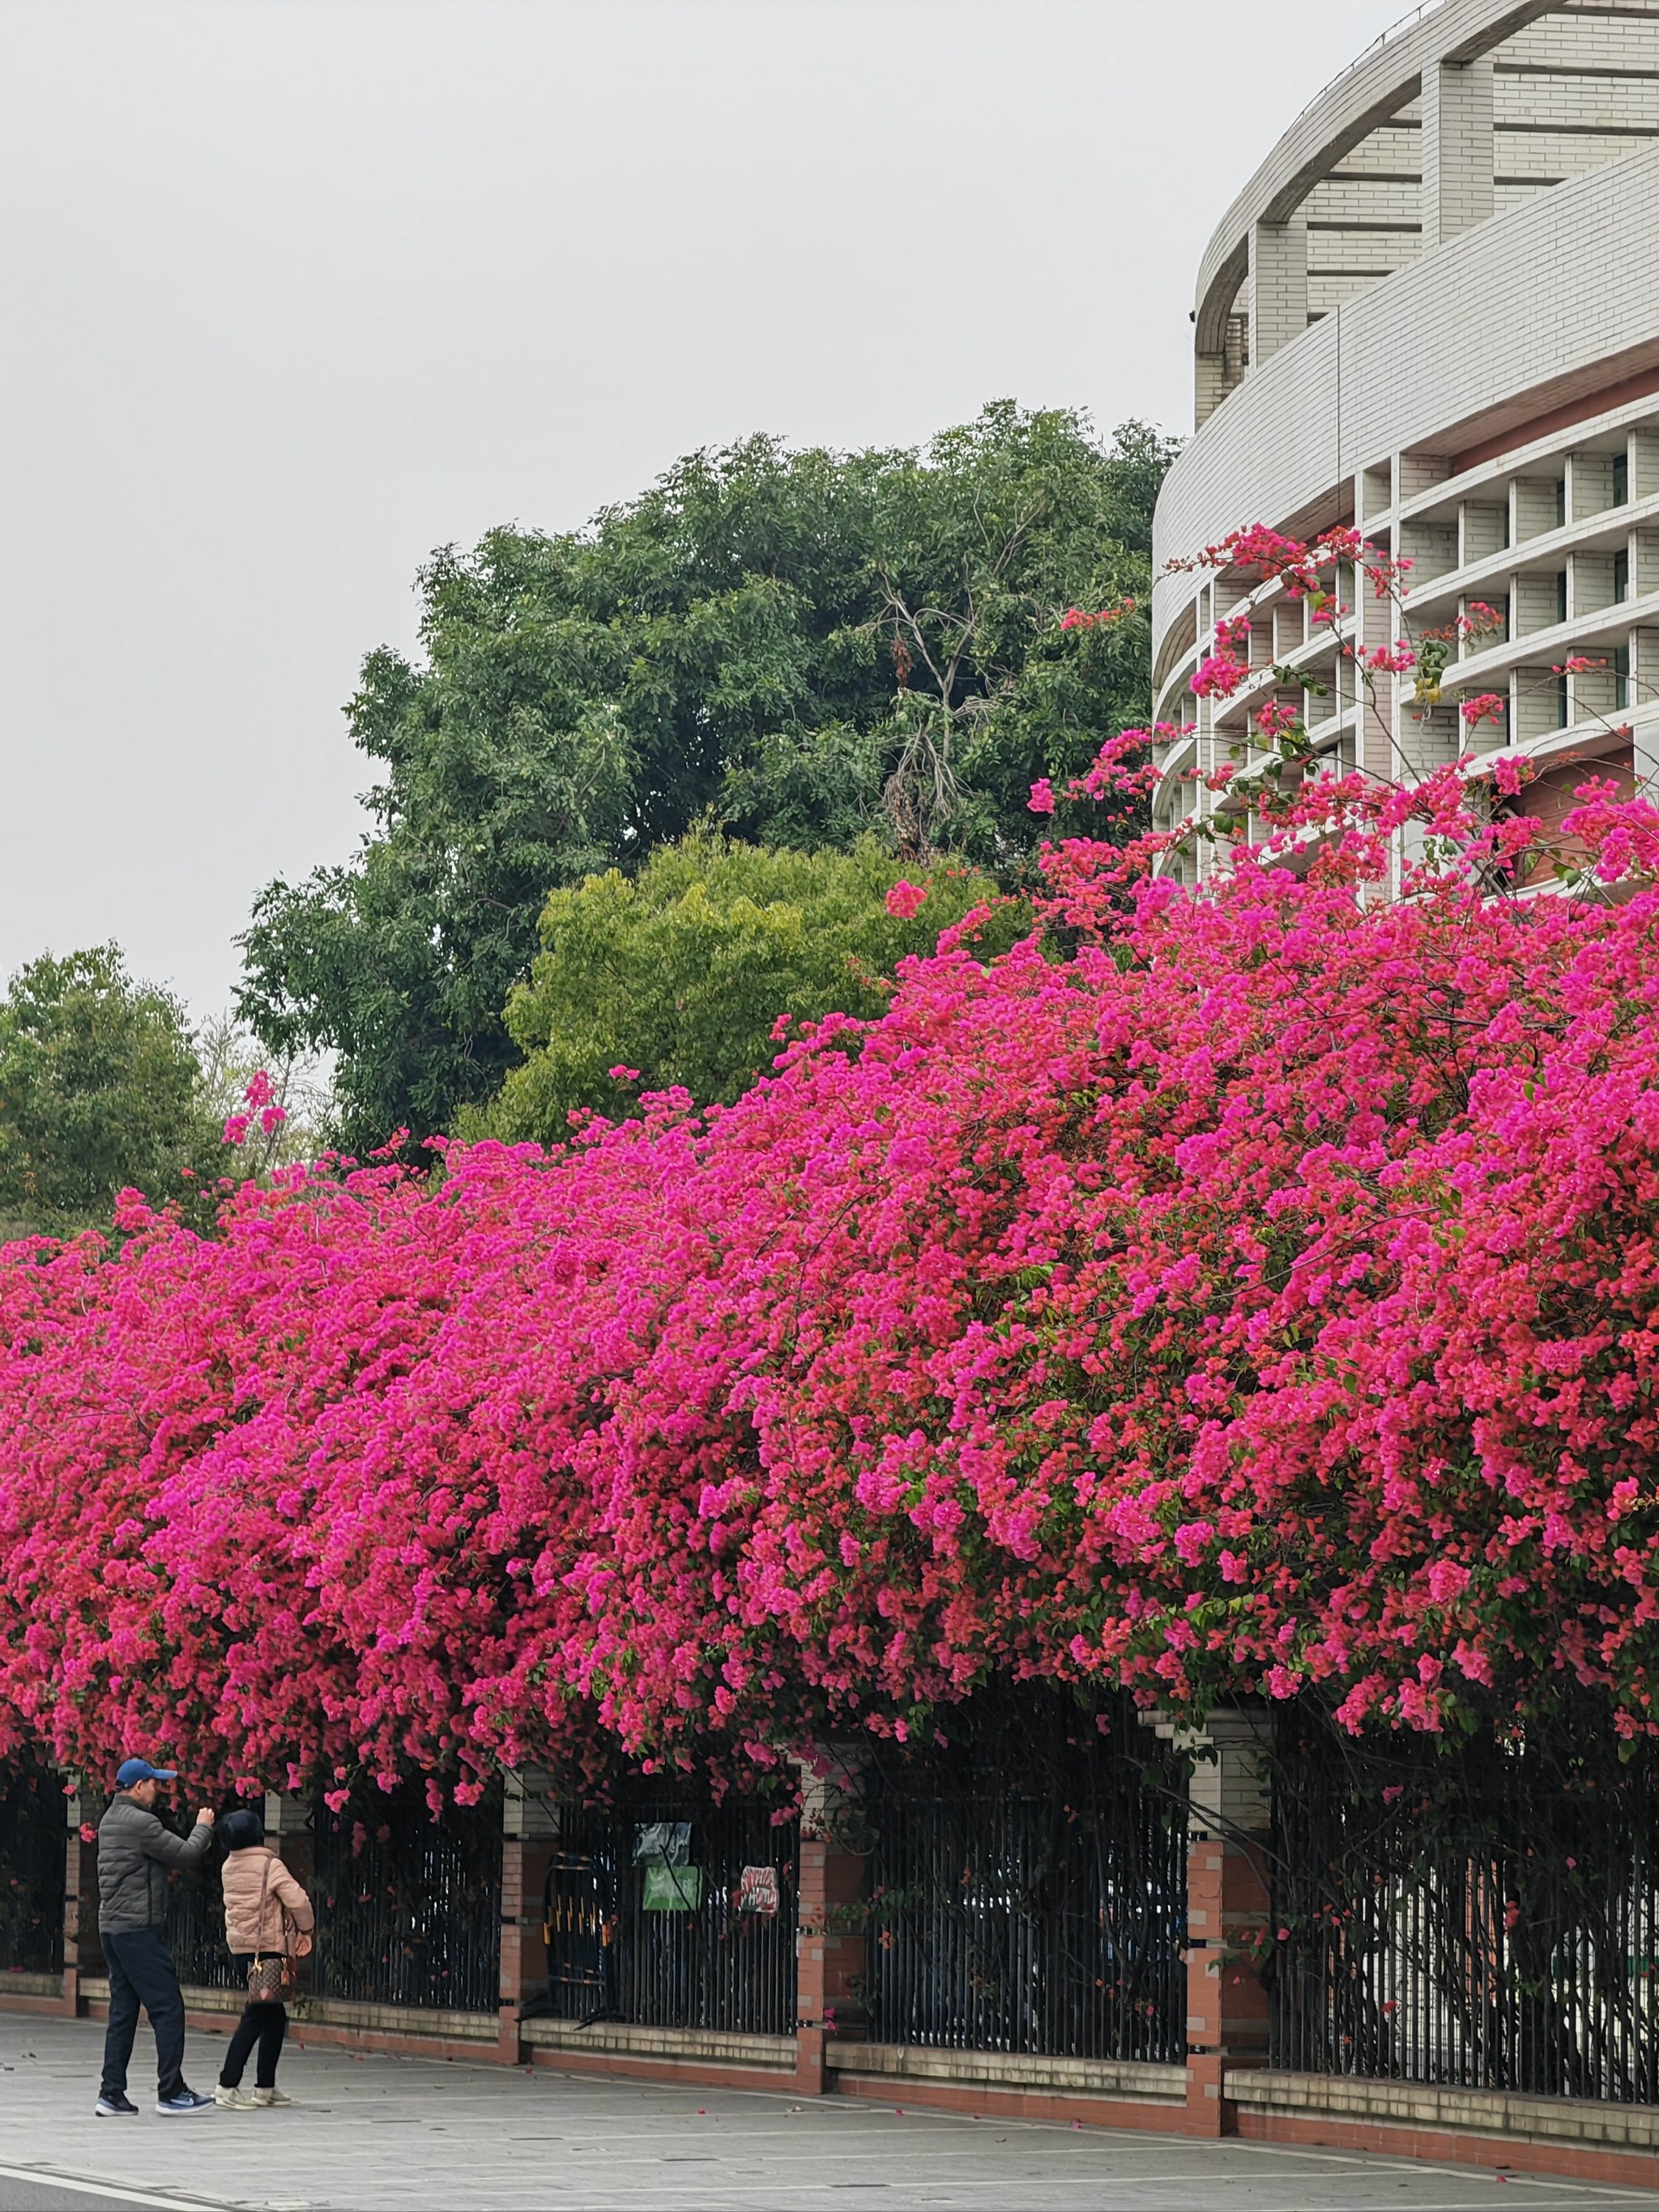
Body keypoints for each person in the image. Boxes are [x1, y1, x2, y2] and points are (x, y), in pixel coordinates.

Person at [95, 1757, 217, 2117]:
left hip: (112, 1928)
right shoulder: (140, 1822)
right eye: (154, 1783)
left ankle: (111, 2093)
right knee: (167, 2007)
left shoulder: (110, 1820)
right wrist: (203, 1827)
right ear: (137, 1786)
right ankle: (171, 2092)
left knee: (123, 2012)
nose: (157, 1789)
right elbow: (186, 1854)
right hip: (137, 1929)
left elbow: (144, 1862)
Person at [215, 1805, 314, 2110]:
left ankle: (265, 2088)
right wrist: (306, 1930)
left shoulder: (228, 1866)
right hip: (268, 1949)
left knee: (274, 2017)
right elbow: (297, 1899)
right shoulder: (270, 1865)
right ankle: (227, 2085)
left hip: (243, 1951)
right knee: (256, 2015)